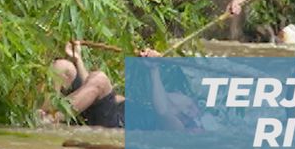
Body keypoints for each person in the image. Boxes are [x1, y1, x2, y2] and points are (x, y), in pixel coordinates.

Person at [46, 42, 201, 130]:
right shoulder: (141, 104)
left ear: (190, 110)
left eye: (185, 98)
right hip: (96, 114)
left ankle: (51, 120)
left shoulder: (175, 125)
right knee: (63, 67)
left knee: (100, 79)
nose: (176, 93)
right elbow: (90, 92)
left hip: (114, 125)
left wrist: (154, 69)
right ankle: (41, 113)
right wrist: (78, 59)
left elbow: (162, 110)